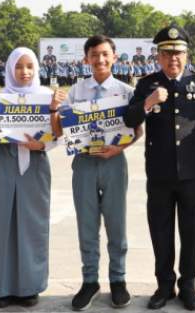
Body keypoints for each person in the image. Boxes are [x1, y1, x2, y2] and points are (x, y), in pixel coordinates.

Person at [124, 24, 195, 310]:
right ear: (158, 56)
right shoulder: (146, 84)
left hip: (193, 171)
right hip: (159, 172)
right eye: (167, 53)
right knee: (161, 230)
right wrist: (147, 102)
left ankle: (188, 284)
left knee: (191, 230)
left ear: (186, 54)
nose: (173, 58)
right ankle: (164, 285)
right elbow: (129, 120)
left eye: (178, 52)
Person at [50, 35, 139, 311]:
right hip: (84, 163)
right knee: (87, 223)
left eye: (104, 54)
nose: (99, 60)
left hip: (114, 162)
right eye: (94, 55)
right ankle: (90, 280)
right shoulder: (76, 91)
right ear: (86, 59)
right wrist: (55, 109)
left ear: (114, 57)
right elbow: (58, 131)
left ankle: (118, 279)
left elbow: (137, 131)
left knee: (116, 223)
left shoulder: (126, 91)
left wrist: (117, 149)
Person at [0, 48, 55, 309]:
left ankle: (30, 286)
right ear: (10, 69)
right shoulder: (0, 98)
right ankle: (3, 288)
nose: (24, 72)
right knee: (3, 223)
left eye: (29, 66)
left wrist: (44, 145)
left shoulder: (47, 97)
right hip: (5, 161)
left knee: (33, 224)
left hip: (35, 164)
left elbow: (59, 134)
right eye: (18, 67)